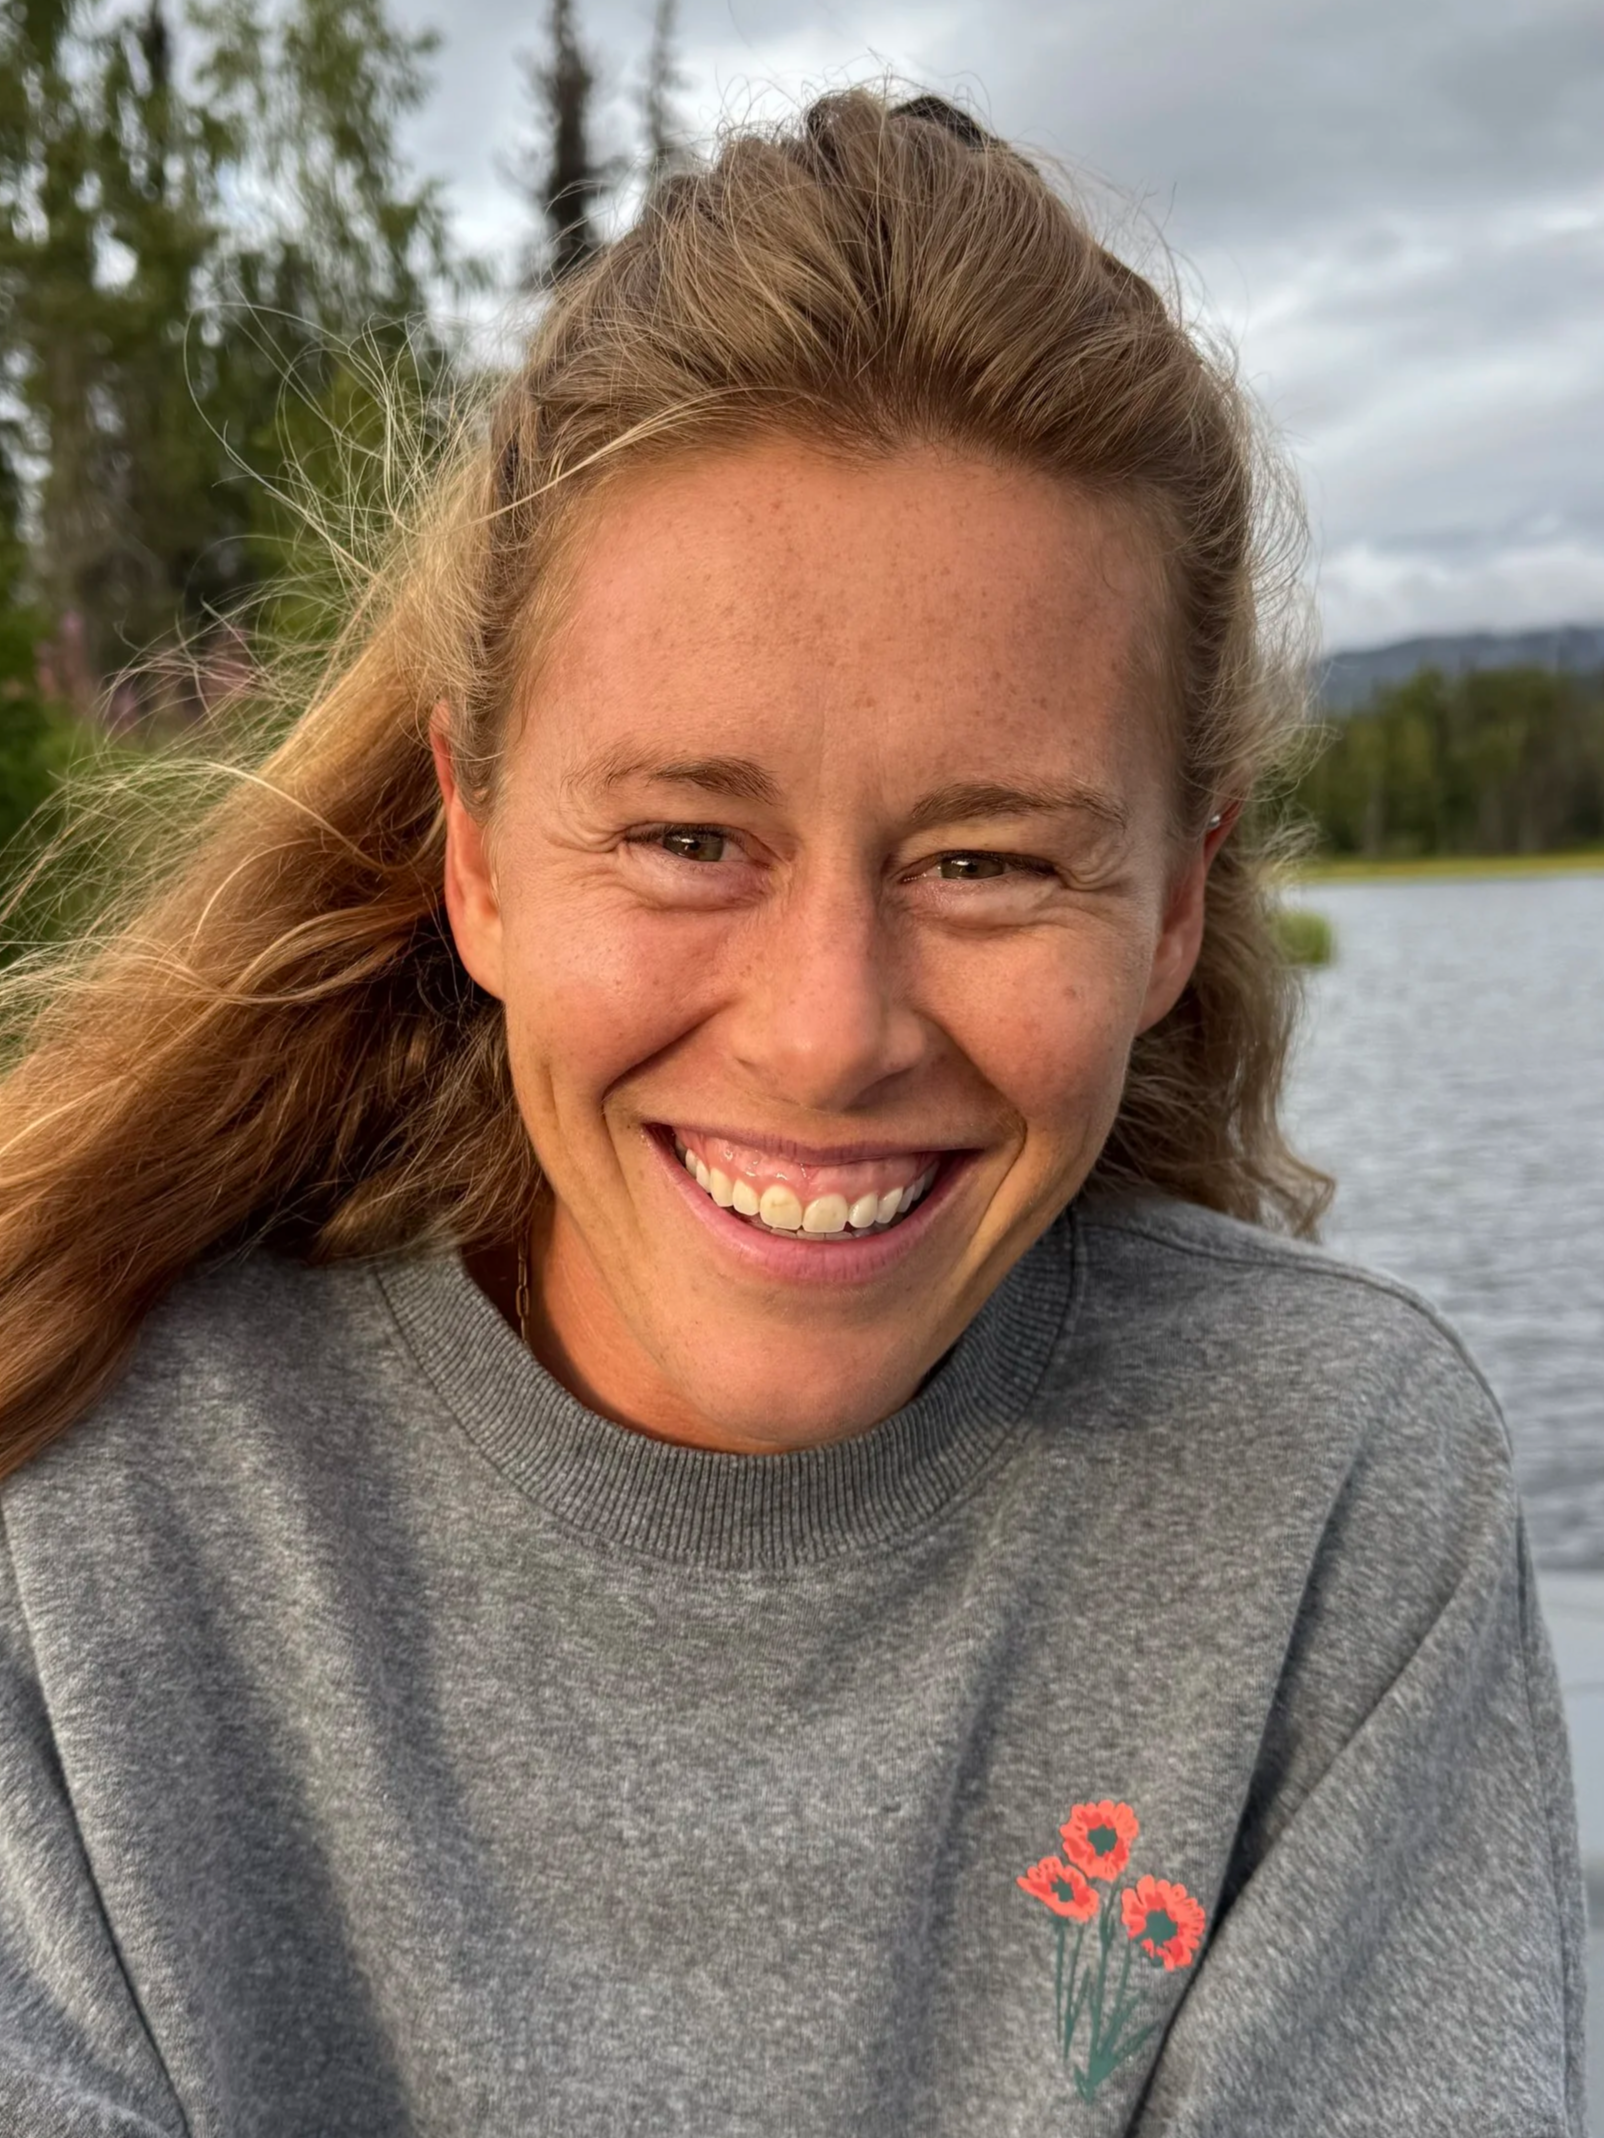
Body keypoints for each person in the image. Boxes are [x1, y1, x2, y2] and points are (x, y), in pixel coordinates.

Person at [0, 88, 1583, 2137]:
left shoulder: (1328, 1498)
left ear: (1176, 902)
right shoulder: (92, 1500)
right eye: (684, 835)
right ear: (475, 857)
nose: (828, 1031)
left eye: (989, 863)